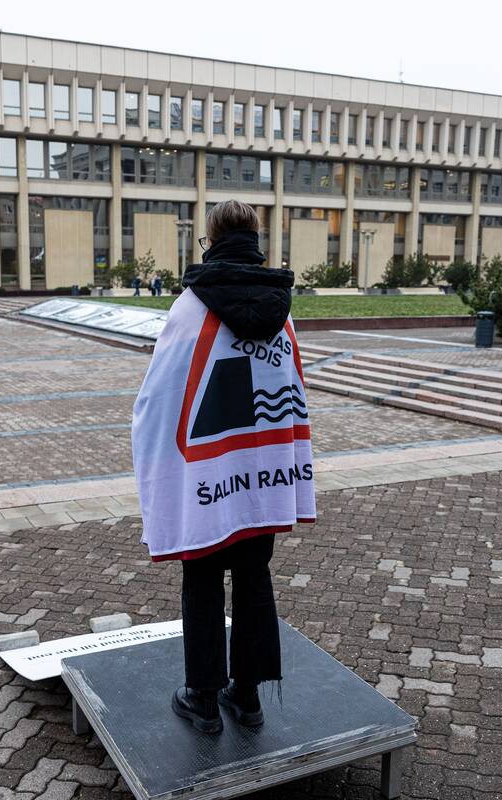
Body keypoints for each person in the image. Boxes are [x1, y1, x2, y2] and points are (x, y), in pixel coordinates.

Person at [131, 200, 315, 734]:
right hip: (262, 471)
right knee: (254, 575)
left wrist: (152, 452)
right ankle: (249, 696)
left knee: (204, 578)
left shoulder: (192, 308)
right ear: (256, 240)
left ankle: (204, 700)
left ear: (208, 239)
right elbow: (292, 392)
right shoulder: (281, 308)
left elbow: (160, 397)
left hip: (209, 472)